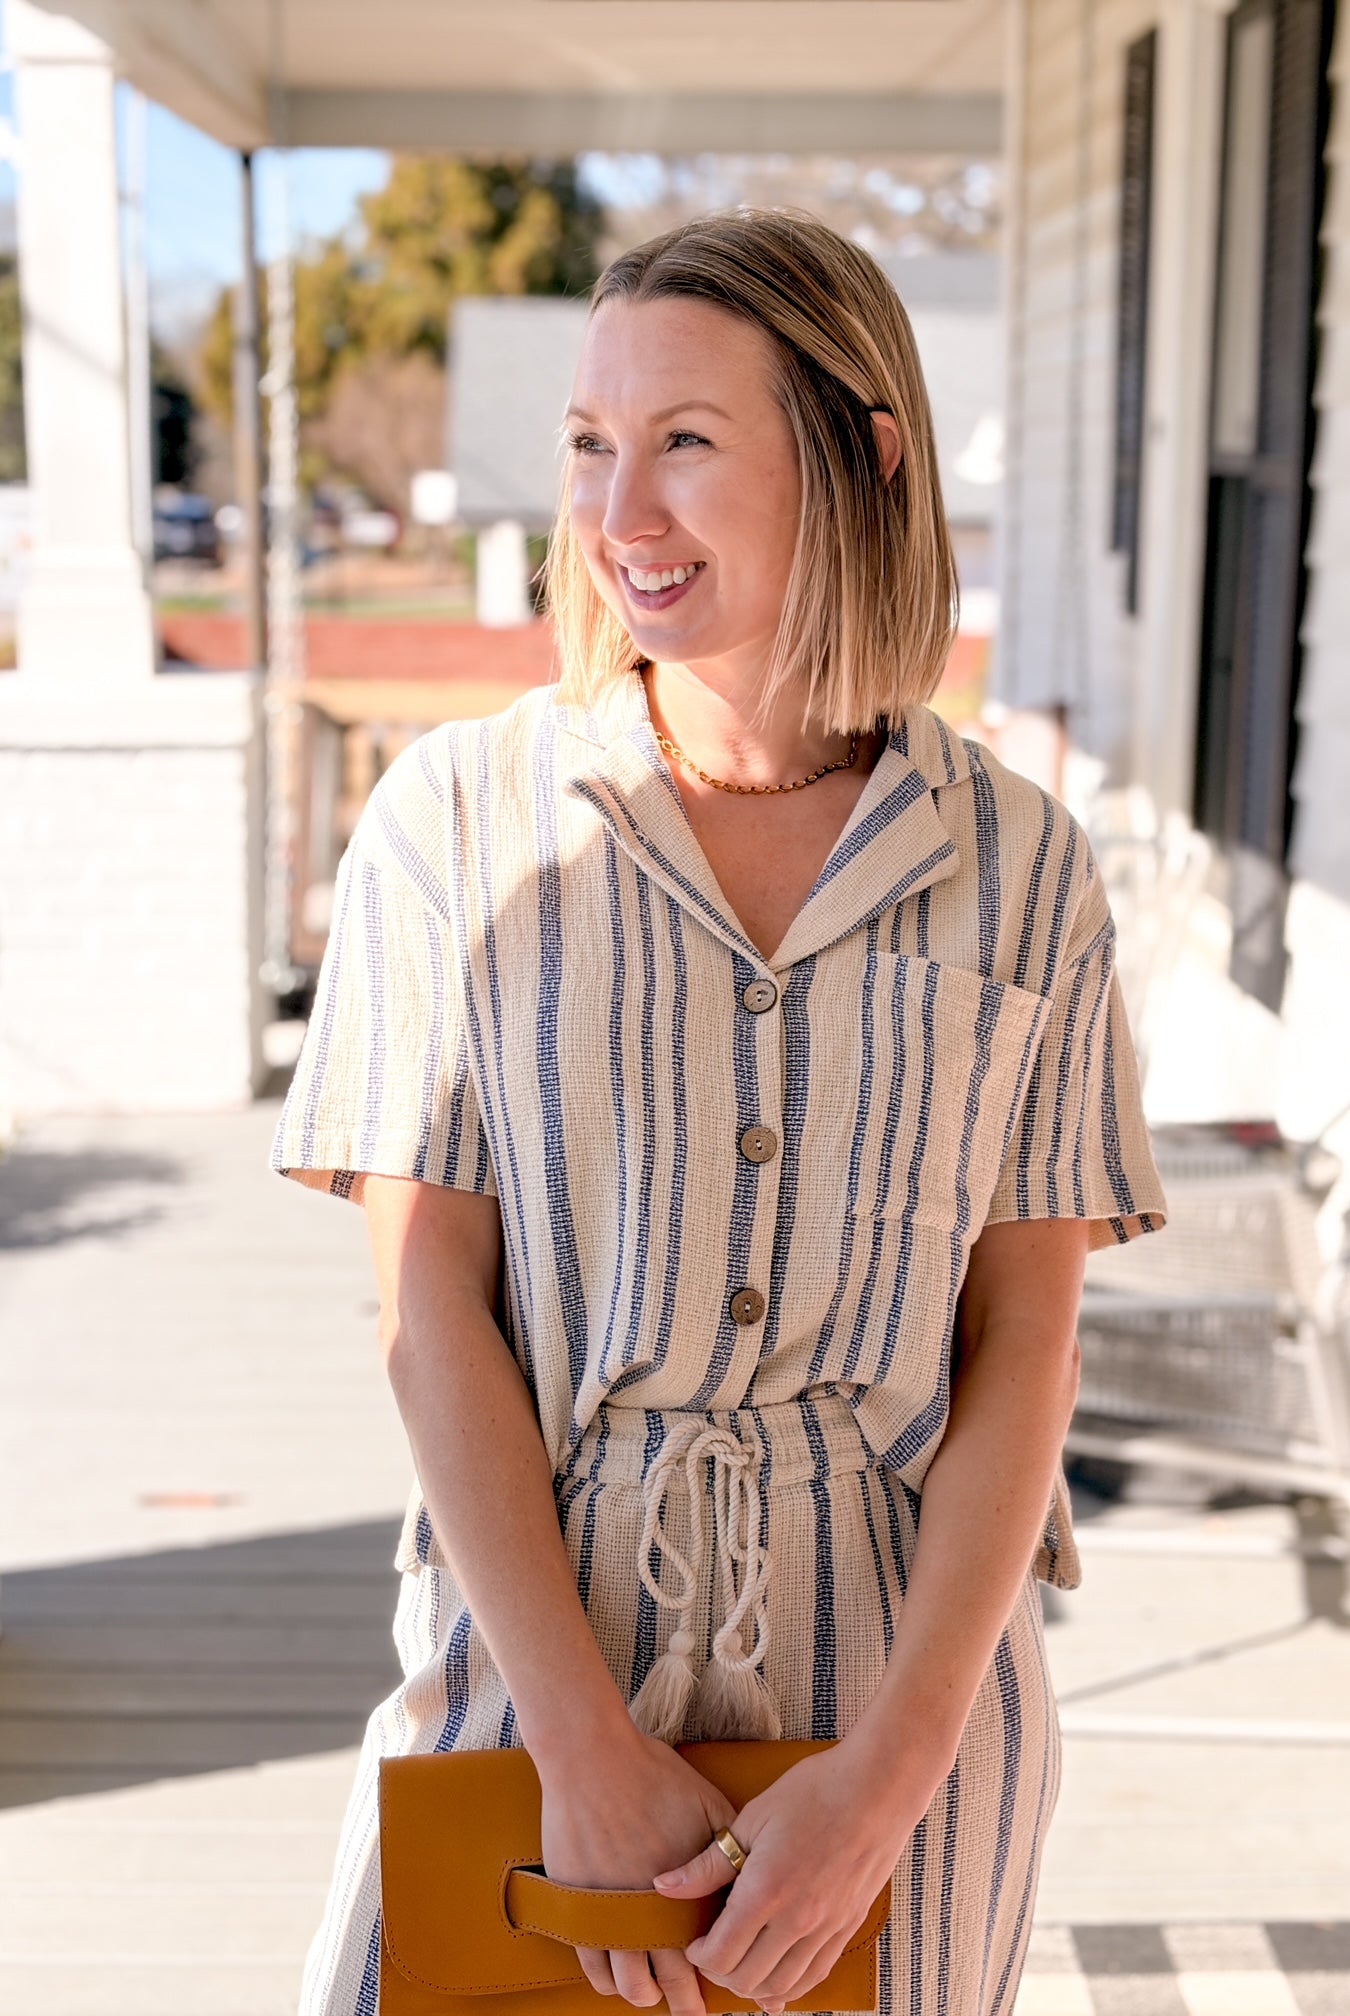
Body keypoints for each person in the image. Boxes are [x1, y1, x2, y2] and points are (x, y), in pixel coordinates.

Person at [271, 207, 1166, 2016]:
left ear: (862, 451)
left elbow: (1023, 1347)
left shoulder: (1018, 870)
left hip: (898, 1714)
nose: (622, 518)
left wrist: (888, 1784)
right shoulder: (457, 826)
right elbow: (427, 1306)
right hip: (539, 1655)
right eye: (594, 448)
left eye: (685, 440)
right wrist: (583, 1756)